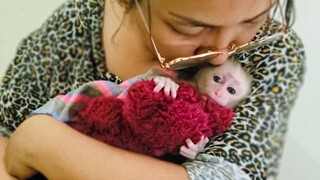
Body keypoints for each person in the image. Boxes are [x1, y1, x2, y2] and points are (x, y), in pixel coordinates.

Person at [0, 0, 305, 179]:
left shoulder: (273, 52)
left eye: (253, 21)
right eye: (187, 27)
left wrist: (40, 141)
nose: (222, 56)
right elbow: (4, 137)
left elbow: (230, 174)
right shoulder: (81, 20)